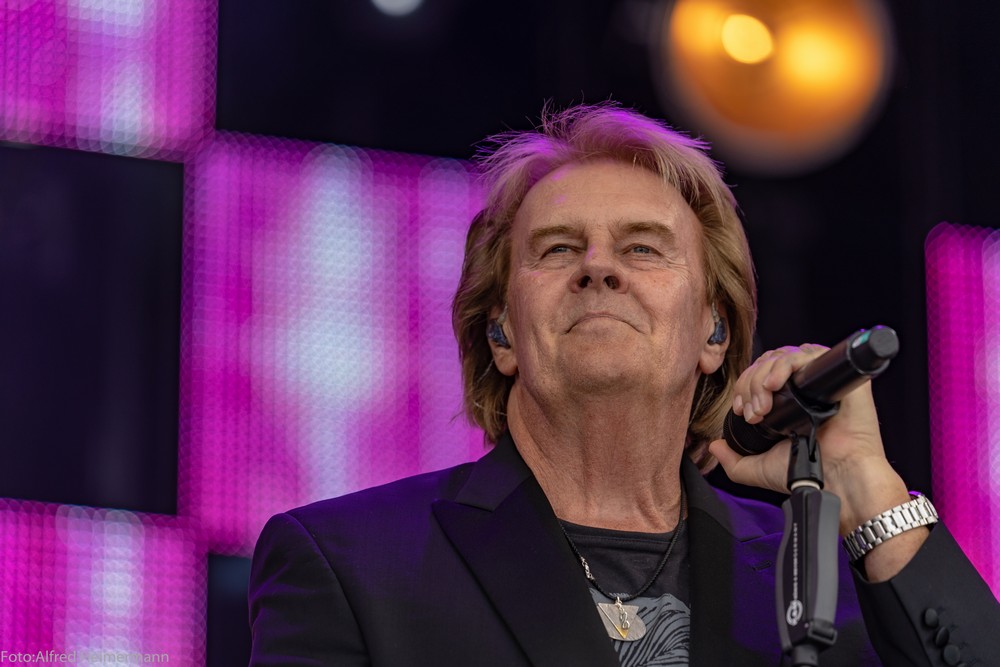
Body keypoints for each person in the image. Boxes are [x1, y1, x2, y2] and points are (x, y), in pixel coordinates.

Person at [248, 104, 1000, 666]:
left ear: (713, 333)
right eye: (558, 248)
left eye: (643, 248)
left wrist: (865, 486)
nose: (599, 268)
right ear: (501, 334)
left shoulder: (816, 574)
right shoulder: (347, 563)